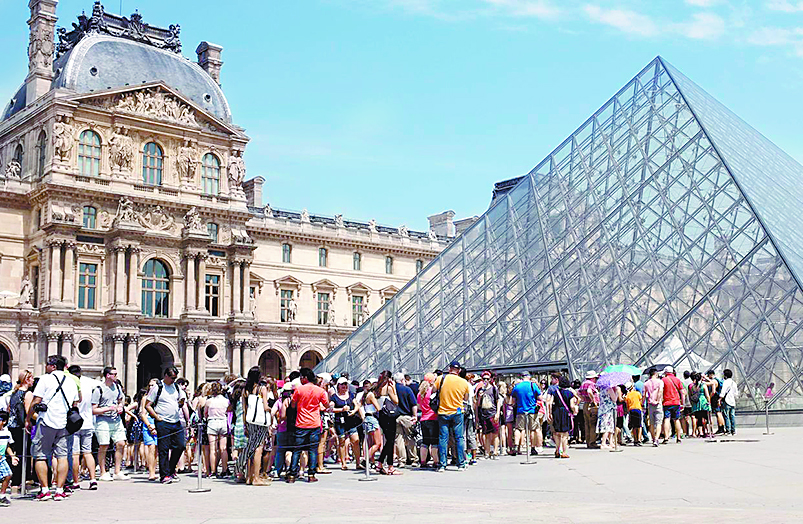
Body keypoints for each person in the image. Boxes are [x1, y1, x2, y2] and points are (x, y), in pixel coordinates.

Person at [26, 355, 79, 501]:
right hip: (65, 423)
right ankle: (60, 490)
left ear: (53, 366)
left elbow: (36, 400)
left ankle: (44, 490)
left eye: (48, 364)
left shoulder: (45, 379)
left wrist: (28, 418)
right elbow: (75, 403)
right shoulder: (71, 381)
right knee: (62, 456)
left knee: (41, 455)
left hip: (46, 421)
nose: (46, 366)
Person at [142, 366, 188, 484]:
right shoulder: (158, 387)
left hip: (176, 421)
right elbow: (148, 405)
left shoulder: (176, 387)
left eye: (175, 378)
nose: (173, 380)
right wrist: (157, 417)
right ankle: (164, 475)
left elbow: (182, 398)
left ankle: (171, 469)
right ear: (166, 376)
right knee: (164, 449)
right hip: (163, 422)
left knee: (180, 445)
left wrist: (182, 401)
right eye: (172, 378)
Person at [288, 367, 328, 483]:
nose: (300, 379)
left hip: (301, 423)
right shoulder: (320, 391)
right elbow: (326, 405)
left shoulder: (299, 390)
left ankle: (292, 475)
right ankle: (311, 475)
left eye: (301, 377)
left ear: (305, 378)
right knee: (312, 450)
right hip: (314, 423)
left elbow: (293, 405)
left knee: (297, 450)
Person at [92, 366, 128, 481]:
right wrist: (108, 409)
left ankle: (117, 471)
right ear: (108, 375)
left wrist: (120, 407)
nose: (116, 376)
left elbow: (120, 400)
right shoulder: (99, 389)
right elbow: (93, 409)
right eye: (114, 374)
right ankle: (103, 472)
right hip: (102, 419)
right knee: (104, 445)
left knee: (121, 443)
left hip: (116, 419)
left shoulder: (117, 387)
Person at [433, 360, 470, 472]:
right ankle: (461, 463)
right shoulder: (464, 382)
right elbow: (466, 398)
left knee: (443, 438)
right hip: (457, 412)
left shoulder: (441, 379)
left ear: (449, 369)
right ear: (458, 371)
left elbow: (433, 391)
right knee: (459, 438)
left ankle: (442, 465)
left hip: (443, 412)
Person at [67, 366, 98, 490]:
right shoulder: (89, 383)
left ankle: (75, 481)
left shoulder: (70, 384)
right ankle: (93, 479)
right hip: (88, 422)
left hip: (74, 422)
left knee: (75, 454)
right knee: (87, 452)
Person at [239, 368, 271, 485]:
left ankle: (249, 476)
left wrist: (245, 425)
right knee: (258, 448)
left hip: (249, 420)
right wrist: (271, 409)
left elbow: (244, 408)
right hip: (260, 421)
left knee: (250, 447)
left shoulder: (245, 390)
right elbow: (265, 406)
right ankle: (256, 478)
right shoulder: (262, 389)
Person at [6, 370, 32, 489]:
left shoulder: (14, 392)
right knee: (23, 453)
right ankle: (21, 479)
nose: (32, 381)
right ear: (26, 380)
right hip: (22, 426)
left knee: (13, 452)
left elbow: (10, 409)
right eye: (31, 378)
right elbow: (28, 411)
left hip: (11, 425)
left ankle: (12, 478)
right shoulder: (27, 394)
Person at [373, 370, 401, 475]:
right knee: (390, 441)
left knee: (388, 441)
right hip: (389, 416)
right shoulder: (388, 388)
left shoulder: (377, 388)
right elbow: (396, 401)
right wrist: (393, 388)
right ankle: (385, 464)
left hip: (382, 416)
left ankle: (385, 464)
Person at [330, 377, 361, 470]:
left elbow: (357, 405)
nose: (344, 386)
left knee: (356, 440)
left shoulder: (351, 395)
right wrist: (341, 410)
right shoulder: (334, 397)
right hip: (340, 421)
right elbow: (331, 409)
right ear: (338, 386)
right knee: (342, 441)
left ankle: (358, 462)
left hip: (351, 421)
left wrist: (354, 411)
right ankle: (343, 462)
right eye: (342, 384)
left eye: (345, 384)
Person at [511, 371, 542, 456]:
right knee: (532, 429)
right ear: (529, 377)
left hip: (520, 411)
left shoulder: (517, 387)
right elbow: (540, 398)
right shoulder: (533, 385)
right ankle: (532, 448)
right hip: (532, 411)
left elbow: (513, 401)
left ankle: (516, 446)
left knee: (518, 429)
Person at [204, 382, 230, 478]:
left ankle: (213, 471)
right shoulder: (226, 401)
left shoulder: (209, 401)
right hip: (223, 421)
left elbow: (205, 414)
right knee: (223, 448)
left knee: (212, 449)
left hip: (212, 422)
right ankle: (224, 469)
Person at [393, 371, 418, 467]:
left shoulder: (392, 390)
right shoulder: (407, 390)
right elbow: (413, 404)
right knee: (411, 437)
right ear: (402, 380)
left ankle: (401, 460)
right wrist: (414, 416)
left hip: (395, 417)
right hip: (407, 417)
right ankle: (413, 459)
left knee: (398, 439)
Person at [550, 376, 577, 458]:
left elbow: (550, 402)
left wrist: (550, 413)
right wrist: (574, 411)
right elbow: (572, 405)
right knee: (565, 434)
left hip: (556, 412)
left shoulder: (555, 392)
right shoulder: (570, 393)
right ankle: (564, 452)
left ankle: (557, 450)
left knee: (557, 433)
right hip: (565, 413)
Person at [475, 371, 501, 459]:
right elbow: (477, 404)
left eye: (487, 379)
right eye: (484, 379)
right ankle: (487, 451)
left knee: (495, 433)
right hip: (483, 413)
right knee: (486, 434)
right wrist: (479, 397)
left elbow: (498, 401)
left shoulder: (494, 389)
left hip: (492, 413)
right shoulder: (480, 390)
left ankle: (496, 451)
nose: (486, 380)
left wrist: (497, 413)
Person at [416, 373, 439, 468]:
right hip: (433, 418)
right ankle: (436, 461)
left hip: (423, 418)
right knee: (434, 442)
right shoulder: (432, 392)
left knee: (425, 441)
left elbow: (419, 407)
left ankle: (423, 461)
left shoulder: (420, 393)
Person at [661, 366, 685, 444]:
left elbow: (661, 391)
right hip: (676, 402)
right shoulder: (678, 380)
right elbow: (682, 392)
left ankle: (666, 437)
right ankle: (678, 437)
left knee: (667, 419)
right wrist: (683, 403)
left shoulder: (663, 380)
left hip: (666, 402)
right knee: (676, 419)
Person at [0, 410, 18, 507]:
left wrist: (12, 456)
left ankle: (2, 495)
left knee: (8, 475)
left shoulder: (7, 433)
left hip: (2, 459)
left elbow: (7, 446)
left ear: (4, 421)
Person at [578, 371, 600, 449]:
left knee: (586, 424)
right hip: (592, 405)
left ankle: (588, 441)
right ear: (592, 378)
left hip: (585, 404)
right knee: (593, 424)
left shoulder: (583, 384)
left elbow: (578, 393)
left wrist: (583, 399)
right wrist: (593, 400)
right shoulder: (591, 384)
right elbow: (589, 391)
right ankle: (592, 442)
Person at [643, 368, 664, 446]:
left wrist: (642, 403)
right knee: (658, 423)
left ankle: (653, 438)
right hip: (658, 404)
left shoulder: (646, 383)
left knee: (651, 423)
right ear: (656, 374)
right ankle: (657, 439)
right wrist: (658, 400)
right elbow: (660, 391)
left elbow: (644, 395)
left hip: (650, 404)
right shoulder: (660, 382)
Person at [596, 383, 617, 451]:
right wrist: (615, 391)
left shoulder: (601, 389)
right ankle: (603, 443)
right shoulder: (609, 389)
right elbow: (614, 399)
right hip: (607, 409)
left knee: (610, 425)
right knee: (607, 426)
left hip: (602, 409)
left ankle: (611, 442)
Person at [707, 370, 726, 434]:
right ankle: (722, 427)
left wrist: (709, 397)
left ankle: (721, 428)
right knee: (719, 412)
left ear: (710, 374)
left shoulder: (714, 381)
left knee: (718, 413)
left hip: (715, 399)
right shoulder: (717, 380)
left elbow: (713, 391)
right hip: (719, 398)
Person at [720, 369, 738, 435]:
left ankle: (728, 430)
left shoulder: (725, 382)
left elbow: (723, 392)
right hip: (732, 401)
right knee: (732, 416)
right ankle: (733, 430)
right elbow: (736, 394)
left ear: (725, 375)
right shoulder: (734, 383)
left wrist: (720, 398)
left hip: (726, 401)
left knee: (726, 416)